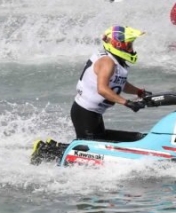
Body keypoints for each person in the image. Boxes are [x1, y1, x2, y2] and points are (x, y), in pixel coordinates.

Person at [30, 25, 149, 165]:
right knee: (90, 150)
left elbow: (120, 83)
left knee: (98, 141)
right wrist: (127, 102)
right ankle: (44, 149)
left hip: (93, 113)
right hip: (84, 112)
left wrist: (138, 92)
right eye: (128, 45)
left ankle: (53, 145)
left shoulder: (114, 61)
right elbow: (102, 89)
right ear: (117, 45)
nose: (131, 49)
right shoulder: (107, 62)